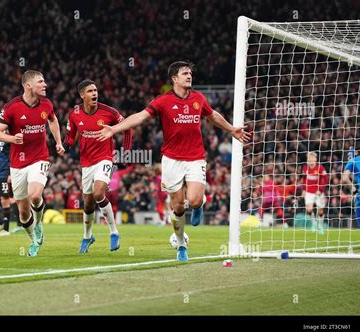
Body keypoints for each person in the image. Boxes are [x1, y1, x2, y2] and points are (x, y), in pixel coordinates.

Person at [97, 61, 250, 261]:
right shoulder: (163, 101)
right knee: (177, 207)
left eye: (190, 73)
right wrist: (115, 129)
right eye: (185, 73)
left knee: (194, 200)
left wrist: (231, 129)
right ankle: (181, 245)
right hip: (171, 160)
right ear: (174, 79)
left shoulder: (198, 98)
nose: (189, 76)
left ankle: (198, 204)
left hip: (195, 158)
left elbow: (212, 116)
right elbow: (141, 117)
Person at [0, 70, 65, 256]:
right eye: (41, 82)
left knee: (35, 196)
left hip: (39, 158)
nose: (45, 85)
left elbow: (53, 120)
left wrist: (58, 141)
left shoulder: (47, 104)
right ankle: (33, 239)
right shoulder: (12, 107)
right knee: (24, 213)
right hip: (17, 164)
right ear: (28, 86)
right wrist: (11, 138)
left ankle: (39, 224)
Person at [63, 79, 132, 253]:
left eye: (95, 90)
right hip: (86, 162)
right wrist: (65, 146)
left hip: (105, 158)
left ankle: (114, 232)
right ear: (82, 95)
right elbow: (70, 136)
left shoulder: (109, 112)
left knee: (99, 192)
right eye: (90, 91)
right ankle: (87, 236)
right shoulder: (75, 113)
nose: (95, 93)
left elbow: (127, 128)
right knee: (87, 204)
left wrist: (126, 150)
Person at [342, 146, 360, 246]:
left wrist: (354, 190)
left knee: (359, 211)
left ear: (356, 152)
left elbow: (345, 178)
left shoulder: (353, 161)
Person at [301, 152, 328, 234]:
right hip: (309, 192)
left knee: (320, 211)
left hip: (318, 192)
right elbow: (304, 179)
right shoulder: (305, 168)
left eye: (312, 158)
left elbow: (326, 179)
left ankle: (320, 225)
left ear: (315, 159)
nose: (311, 159)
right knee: (309, 210)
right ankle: (314, 224)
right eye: (309, 158)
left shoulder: (320, 168)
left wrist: (320, 189)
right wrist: (304, 189)